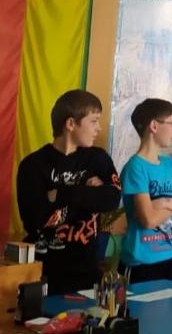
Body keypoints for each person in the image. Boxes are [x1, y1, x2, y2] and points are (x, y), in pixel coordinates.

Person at [16, 90, 121, 295]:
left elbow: (111, 199)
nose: (99, 128)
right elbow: (36, 218)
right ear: (71, 124)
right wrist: (88, 193)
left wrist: (60, 194)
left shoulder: (97, 158)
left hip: (86, 272)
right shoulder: (33, 165)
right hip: (43, 274)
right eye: (94, 121)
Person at [120, 98, 172, 284]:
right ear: (154, 126)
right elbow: (148, 220)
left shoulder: (171, 165)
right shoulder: (135, 167)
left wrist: (164, 202)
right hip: (140, 263)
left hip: (168, 257)